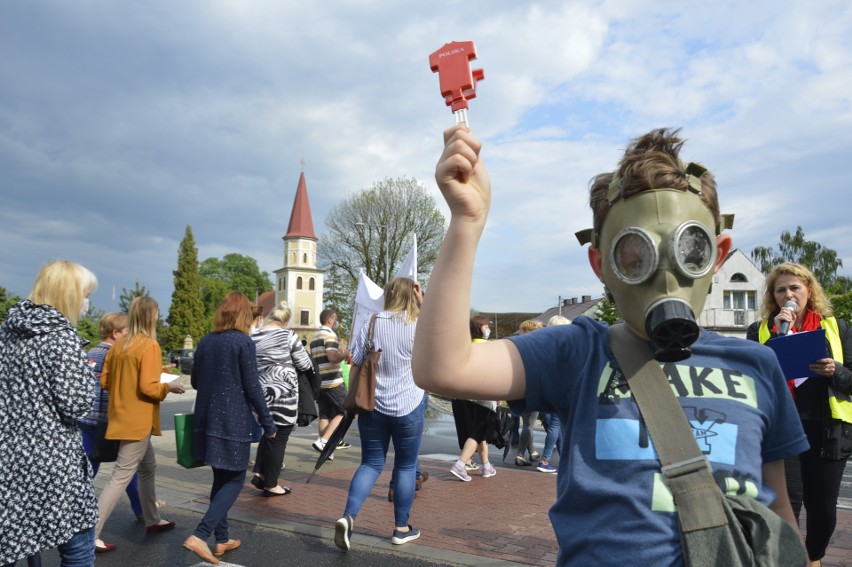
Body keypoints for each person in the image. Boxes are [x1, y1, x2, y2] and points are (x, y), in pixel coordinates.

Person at [412, 126, 807, 565]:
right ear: (601, 265)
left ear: (716, 254)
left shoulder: (757, 364)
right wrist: (467, 222)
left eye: (687, 252)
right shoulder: (578, 353)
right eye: (634, 258)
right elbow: (442, 367)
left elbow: (778, 511)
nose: (666, 276)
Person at [747, 262, 852, 565]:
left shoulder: (836, 327)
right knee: (786, 507)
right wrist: (778, 341)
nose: (788, 294)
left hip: (827, 432)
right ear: (773, 296)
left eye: (794, 287)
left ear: (809, 291)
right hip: (782, 431)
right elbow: (750, 379)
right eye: (781, 290)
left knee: (823, 511)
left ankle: (814, 556)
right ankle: (791, 559)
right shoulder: (761, 330)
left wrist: (837, 371)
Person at [0, 260, 99, 566]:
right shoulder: (61, 337)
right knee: (78, 547)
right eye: (85, 294)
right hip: (53, 464)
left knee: (22, 540)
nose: (86, 302)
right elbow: (77, 405)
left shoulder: (7, 333)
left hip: (10, 460)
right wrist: (85, 374)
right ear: (68, 294)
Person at [334, 277, 428, 551]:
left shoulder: (372, 322)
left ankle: (348, 517)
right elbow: (437, 342)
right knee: (406, 466)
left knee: (371, 463)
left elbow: (357, 359)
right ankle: (401, 528)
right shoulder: (419, 324)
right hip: (409, 403)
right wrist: (423, 304)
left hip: (373, 403)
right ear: (413, 296)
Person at [183, 292, 278, 564]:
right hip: (232, 421)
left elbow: (196, 382)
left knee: (220, 479)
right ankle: (201, 534)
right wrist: (268, 422)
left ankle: (221, 538)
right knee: (235, 479)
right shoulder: (243, 342)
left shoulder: (205, 341)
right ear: (242, 315)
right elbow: (252, 387)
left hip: (207, 419)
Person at [95, 296, 184, 553]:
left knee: (148, 467)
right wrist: (169, 386)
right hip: (138, 420)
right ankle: (91, 533)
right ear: (150, 316)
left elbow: (105, 382)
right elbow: (149, 388)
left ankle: (152, 519)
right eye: (156, 313)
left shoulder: (119, 344)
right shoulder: (149, 345)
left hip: (120, 416)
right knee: (121, 476)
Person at [78, 312, 151, 520]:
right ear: (116, 332)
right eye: (128, 331)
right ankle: (140, 509)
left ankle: (76, 506)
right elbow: (114, 386)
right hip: (107, 417)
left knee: (91, 466)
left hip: (87, 417)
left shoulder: (91, 351)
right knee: (125, 467)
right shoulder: (114, 354)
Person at [249, 300, 314, 496]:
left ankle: (260, 473)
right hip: (283, 392)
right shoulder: (288, 335)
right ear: (285, 321)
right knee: (280, 437)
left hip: (261, 392)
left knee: (268, 432)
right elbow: (304, 364)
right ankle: (271, 484)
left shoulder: (254, 336)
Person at [448, 315, 497, 482]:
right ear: (481, 329)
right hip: (483, 396)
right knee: (478, 432)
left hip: (462, 396)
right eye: (486, 326)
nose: (488, 329)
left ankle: (486, 466)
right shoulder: (491, 348)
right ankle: (460, 464)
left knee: (478, 433)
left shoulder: (463, 348)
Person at [310, 309, 352, 457]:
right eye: (335, 320)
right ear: (330, 320)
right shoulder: (330, 335)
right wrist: (345, 354)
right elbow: (332, 357)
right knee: (347, 410)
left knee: (325, 415)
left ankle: (326, 450)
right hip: (333, 381)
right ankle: (324, 441)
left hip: (320, 382)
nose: (336, 323)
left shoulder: (314, 338)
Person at [536, 315, 570, 474]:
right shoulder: (563, 347)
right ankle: (545, 460)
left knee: (557, 427)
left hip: (546, 392)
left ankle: (565, 460)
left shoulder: (543, 345)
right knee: (556, 427)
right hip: (561, 392)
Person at [514, 320, 542, 467]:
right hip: (533, 388)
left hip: (519, 389)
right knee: (529, 424)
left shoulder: (517, 346)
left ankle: (532, 452)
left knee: (526, 423)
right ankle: (520, 455)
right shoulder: (536, 347)